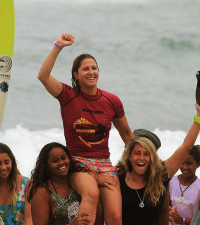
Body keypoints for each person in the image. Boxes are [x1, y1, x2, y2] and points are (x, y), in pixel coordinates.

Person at [37, 33, 134, 224]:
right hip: (77, 162)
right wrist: (59, 46)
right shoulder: (67, 96)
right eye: (85, 69)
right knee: (91, 193)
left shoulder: (112, 101)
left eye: (94, 68)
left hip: (104, 164)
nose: (91, 72)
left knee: (115, 216)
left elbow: (127, 134)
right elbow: (43, 76)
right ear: (76, 74)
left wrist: (145, 163)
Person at [117, 98, 200, 225]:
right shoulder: (117, 177)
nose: (141, 158)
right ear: (129, 156)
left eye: (147, 154)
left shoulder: (162, 174)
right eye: (137, 153)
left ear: (153, 157)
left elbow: (186, 146)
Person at [28, 142, 92, 225]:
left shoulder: (77, 181)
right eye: (55, 161)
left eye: (63, 158)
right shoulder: (42, 192)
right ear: (46, 165)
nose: (61, 163)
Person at [169, 145, 200, 225]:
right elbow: (165, 208)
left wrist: (182, 220)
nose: (184, 167)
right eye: (182, 163)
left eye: (189, 163)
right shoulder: (171, 182)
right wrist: (169, 215)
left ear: (198, 164)